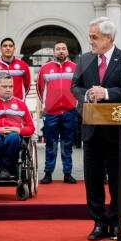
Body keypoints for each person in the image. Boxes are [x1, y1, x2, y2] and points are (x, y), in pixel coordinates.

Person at [71, 17, 121, 240]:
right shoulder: (84, 60)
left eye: (94, 37)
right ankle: (99, 222)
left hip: (118, 130)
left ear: (109, 38)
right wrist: (88, 95)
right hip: (91, 128)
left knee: (119, 178)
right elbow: (76, 87)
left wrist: (107, 93)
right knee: (93, 178)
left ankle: (118, 223)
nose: (90, 41)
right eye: (90, 36)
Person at [0, 73, 35, 179]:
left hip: (14, 137)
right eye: (4, 86)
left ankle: (6, 169)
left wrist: (19, 130)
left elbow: (31, 128)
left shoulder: (21, 104)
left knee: (13, 137)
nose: (8, 89)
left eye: (11, 86)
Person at [36, 41, 77, 184]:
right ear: (54, 52)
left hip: (69, 112)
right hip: (51, 113)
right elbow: (39, 89)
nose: (61, 51)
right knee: (50, 144)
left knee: (67, 144)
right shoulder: (45, 68)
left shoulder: (75, 68)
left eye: (63, 49)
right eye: (58, 49)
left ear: (67, 52)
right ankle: (48, 173)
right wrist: (46, 105)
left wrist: (74, 104)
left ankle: (68, 173)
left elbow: (79, 88)